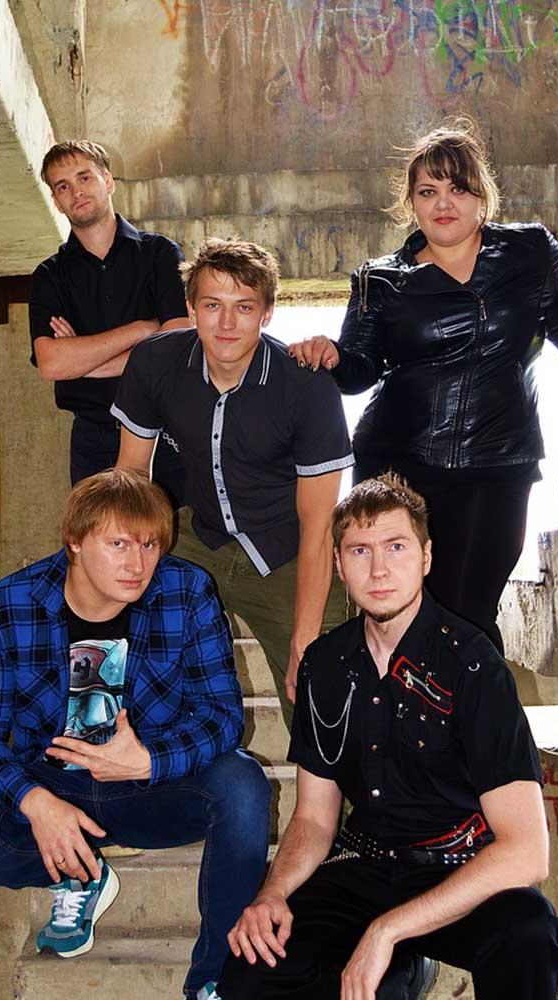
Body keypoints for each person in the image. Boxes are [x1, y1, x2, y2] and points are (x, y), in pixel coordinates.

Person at [219, 474, 558, 1000]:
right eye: (360, 550)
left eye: (396, 547)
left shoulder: (473, 665)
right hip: (369, 863)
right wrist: (272, 894)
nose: (379, 567)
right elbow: (315, 819)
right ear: (339, 564)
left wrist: (386, 932)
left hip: (460, 870)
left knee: (530, 944)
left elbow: (526, 852)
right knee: (246, 977)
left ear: (427, 557)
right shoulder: (325, 666)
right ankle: (393, 992)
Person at [0, 468, 271, 1000]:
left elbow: (222, 717)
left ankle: (211, 991)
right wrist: (36, 801)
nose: (138, 563)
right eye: (118, 543)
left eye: (149, 544)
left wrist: (150, 761)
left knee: (242, 783)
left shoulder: (188, 591)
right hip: (55, 785)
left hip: (150, 787)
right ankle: (79, 872)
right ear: (74, 541)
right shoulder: (9, 606)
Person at [290, 123, 558, 652]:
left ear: (482, 196)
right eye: (428, 191)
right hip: (397, 466)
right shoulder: (378, 278)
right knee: (397, 613)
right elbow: (359, 371)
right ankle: (400, 704)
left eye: (458, 188)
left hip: (498, 465)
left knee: (470, 615)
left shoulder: (532, 251)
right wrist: (331, 356)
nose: (443, 203)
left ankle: (477, 708)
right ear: (411, 203)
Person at [112, 237, 354, 722]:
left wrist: (304, 640)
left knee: (322, 696)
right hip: (199, 537)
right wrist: (117, 581)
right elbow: (130, 480)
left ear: (267, 313)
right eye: (212, 305)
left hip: (287, 549)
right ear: (190, 308)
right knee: (122, 644)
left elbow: (318, 525)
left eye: (243, 307)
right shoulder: (155, 362)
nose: (226, 323)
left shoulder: (306, 384)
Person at [30, 140, 189, 494]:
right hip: (93, 438)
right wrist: (143, 330)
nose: (76, 192)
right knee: (96, 531)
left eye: (84, 177)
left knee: (175, 531)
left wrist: (82, 361)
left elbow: (178, 347)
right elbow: (51, 364)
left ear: (108, 180)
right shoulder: (49, 276)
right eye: (63, 186)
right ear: (56, 201)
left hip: (165, 431)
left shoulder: (160, 254)